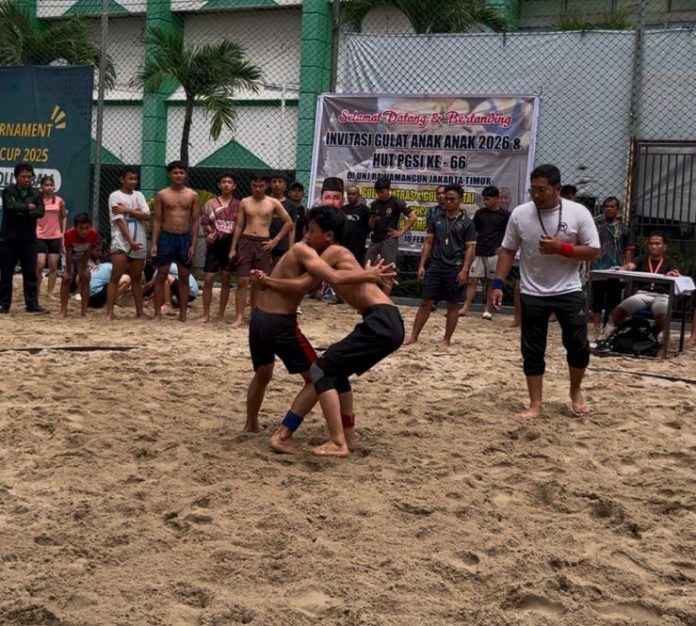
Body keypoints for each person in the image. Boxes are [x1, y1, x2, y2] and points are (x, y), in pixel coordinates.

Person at [254, 206, 403, 457]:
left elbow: (305, 284)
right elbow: (319, 282)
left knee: (320, 370)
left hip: (381, 322)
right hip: (385, 323)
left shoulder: (332, 252)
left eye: (311, 231)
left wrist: (267, 280)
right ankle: (347, 438)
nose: (306, 236)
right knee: (336, 372)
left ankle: (333, 441)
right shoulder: (335, 254)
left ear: (329, 235)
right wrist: (368, 275)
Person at [491, 164, 600, 419]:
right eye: (533, 190)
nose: (536, 195)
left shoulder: (578, 213)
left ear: (557, 188)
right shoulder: (520, 214)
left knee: (578, 345)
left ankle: (575, 390)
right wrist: (498, 284)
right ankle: (535, 404)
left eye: (542, 190)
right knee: (532, 348)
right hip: (532, 291)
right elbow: (508, 250)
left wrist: (561, 248)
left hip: (569, 289)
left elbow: (593, 251)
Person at [405, 184, 475, 346]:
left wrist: (465, 270)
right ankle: (414, 336)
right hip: (436, 265)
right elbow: (428, 242)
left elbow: (470, 249)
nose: (448, 201)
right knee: (426, 302)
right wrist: (422, 265)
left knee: (452, 304)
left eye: (452, 199)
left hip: (455, 267)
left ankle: (446, 339)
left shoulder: (467, 223)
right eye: (446, 198)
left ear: (460, 200)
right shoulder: (436, 218)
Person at [229, 172, 293, 325]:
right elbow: (239, 225)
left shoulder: (273, 202)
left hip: (263, 243)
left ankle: (254, 316)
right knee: (242, 280)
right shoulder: (245, 201)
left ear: (266, 185)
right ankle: (239, 316)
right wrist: (233, 248)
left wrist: (275, 240)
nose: (258, 189)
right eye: (254, 185)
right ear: (250, 185)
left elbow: (288, 222)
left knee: (259, 281)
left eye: (261, 186)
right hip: (246, 241)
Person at [602, 232, 680, 342]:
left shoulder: (669, 262)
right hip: (642, 294)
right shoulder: (641, 259)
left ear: (665, 246)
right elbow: (630, 266)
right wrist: (622, 268)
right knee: (618, 311)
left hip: (662, 296)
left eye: (657, 243)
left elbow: (675, 271)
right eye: (651, 243)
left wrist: (673, 273)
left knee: (663, 316)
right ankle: (610, 335)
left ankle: (655, 335)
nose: (653, 246)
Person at [150, 161, 200, 322]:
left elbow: (195, 221)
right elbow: (157, 220)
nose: (178, 175)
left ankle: (183, 314)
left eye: (181, 172)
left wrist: (193, 244)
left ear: (185, 175)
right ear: (169, 175)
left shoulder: (192, 195)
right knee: (161, 275)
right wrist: (154, 243)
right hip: (167, 237)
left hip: (184, 238)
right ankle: (157, 313)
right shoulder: (162, 195)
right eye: (175, 172)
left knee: (184, 276)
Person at [0, 162, 48, 314]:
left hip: (29, 239)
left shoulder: (36, 194)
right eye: (23, 176)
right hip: (9, 239)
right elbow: (9, 206)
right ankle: (4, 304)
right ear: (16, 177)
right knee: (6, 273)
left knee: (30, 273)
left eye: (29, 176)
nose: (26, 179)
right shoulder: (8, 191)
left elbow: (40, 212)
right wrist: (27, 207)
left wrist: (21, 210)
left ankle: (32, 304)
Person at [459, 185, 510, 320]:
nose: (485, 202)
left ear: (496, 198)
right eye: (484, 199)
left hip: (495, 252)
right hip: (479, 250)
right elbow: (475, 231)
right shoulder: (480, 213)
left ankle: (487, 309)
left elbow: (509, 234)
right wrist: (472, 246)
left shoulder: (505, 215)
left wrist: (503, 247)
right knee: (472, 280)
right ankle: (466, 307)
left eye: (488, 199)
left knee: (491, 281)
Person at [106, 166, 150, 320]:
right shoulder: (115, 196)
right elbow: (119, 221)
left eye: (135, 179)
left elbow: (147, 215)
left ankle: (140, 311)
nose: (133, 182)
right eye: (130, 178)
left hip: (140, 238)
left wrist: (128, 210)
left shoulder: (139, 195)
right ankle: (109, 311)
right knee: (116, 276)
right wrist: (130, 241)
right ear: (122, 179)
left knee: (136, 278)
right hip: (121, 240)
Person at [590, 196, 634, 341]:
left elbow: (628, 249)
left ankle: (608, 328)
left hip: (616, 269)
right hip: (598, 267)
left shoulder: (624, 229)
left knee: (613, 299)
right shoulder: (596, 227)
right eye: (606, 206)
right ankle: (596, 328)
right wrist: (589, 267)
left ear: (617, 209)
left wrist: (626, 268)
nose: (609, 209)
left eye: (612, 206)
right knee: (597, 299)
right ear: (603, 208)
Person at [366, 178, 417, 294]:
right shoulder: (375, 203)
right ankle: (370, 295)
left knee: (388, 269)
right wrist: (373, 220)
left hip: (389, 239)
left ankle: (385, 298)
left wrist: (401, 231)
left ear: (388, 189)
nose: (380, 194)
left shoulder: (396, 202)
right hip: (375, 238)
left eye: (382, 192)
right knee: (368, 267)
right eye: (378, 192)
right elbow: (370, 226)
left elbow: (413, 217)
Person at [200, 172, 240, 322]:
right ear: (219, 185)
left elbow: (240, 225)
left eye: (230, 182)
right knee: (209, 278)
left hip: (230, 243)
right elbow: (205, 222)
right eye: (223, 182)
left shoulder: (239, 205)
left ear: (234, 186)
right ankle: (205, 314)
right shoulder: (210, 203)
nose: (226, 184)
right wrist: (209, 233)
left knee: (226, 278)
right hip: (215, 244)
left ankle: (221, 314)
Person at [35, 174, 67, 300]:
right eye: (46, 185)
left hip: (54, 236)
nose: (49, 187)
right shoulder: (37, 200)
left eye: (51, 185)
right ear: (42, 187)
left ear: (54, 186)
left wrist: (62, 232)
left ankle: (50, 293)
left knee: (53, 266)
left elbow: (64, 216)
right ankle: (36, 291)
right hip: (40, 235)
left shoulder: (59, 200)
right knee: (40, 265)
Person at [61, 212, 99, 317]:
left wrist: (83, 268)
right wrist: (69, 272)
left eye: (87, 228)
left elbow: (89, 251)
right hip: (70, 256)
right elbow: (68, 254)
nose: (84, 231)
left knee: (85, 277)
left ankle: (84, 311)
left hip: (83, 256)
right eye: (81, 228)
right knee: (66, 279)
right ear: (75, 227)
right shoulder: (69, 234)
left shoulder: (93, 234)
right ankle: (63, 309)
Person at [268, 173, 297, 265]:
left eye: (280, 182)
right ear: (269, 184)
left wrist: (290, 248)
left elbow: (292, 229)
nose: (277, 184)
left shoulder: (291, 205)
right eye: (274, 182)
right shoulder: (264, 201)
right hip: (265, 241)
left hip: (282, 244)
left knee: (278, 269)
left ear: (285, 185)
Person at [342, 185, 371, 265]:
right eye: (349, 194)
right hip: (344, 247)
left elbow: (369, 227)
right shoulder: (342, 209)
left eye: (353, 194)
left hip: (358, 247)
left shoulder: (364, 209)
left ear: (358, 195)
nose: (351, 196)